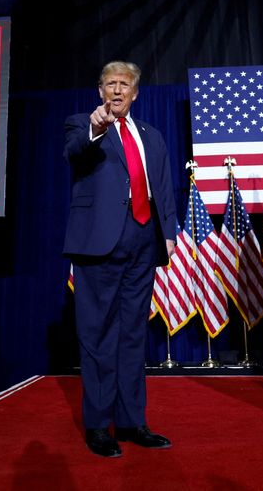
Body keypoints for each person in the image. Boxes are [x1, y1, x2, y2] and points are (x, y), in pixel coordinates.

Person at [63, 61, 177, 458]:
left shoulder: (152, 135)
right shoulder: (82, 124)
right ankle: (98, 425)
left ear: (135, 92)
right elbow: (75, 154)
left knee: (132, 335)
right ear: (99, 91)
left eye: (124, 84)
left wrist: (169, 233)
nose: (116, 90)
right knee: (97, 336)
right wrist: (97, 130)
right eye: (109, 84)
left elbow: (163, 186)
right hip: (99, 243)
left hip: (143, 241)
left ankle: (131, 422)